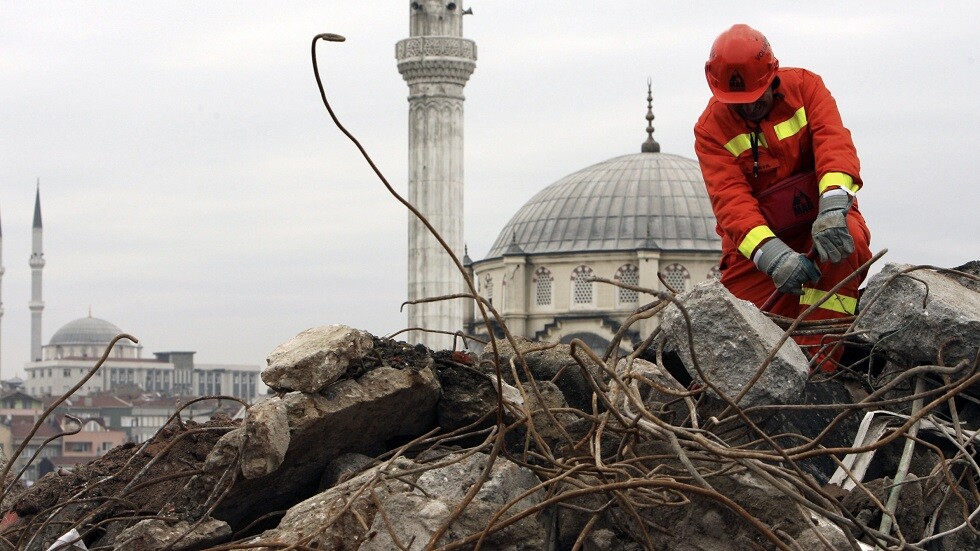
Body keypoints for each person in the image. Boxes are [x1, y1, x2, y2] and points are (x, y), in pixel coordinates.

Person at [693, 24, 872, 371]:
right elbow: (730, 201)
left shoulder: (807, 88)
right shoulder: (710, 129)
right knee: (741, 337)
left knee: (843, 244)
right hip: (757, 247)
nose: (749, 109)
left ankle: (820, 368)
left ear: (773, 76)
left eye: (755, 98)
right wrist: (772, 257)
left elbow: (834, 145)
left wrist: (835, 206)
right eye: (738, 104)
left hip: (821, 223)